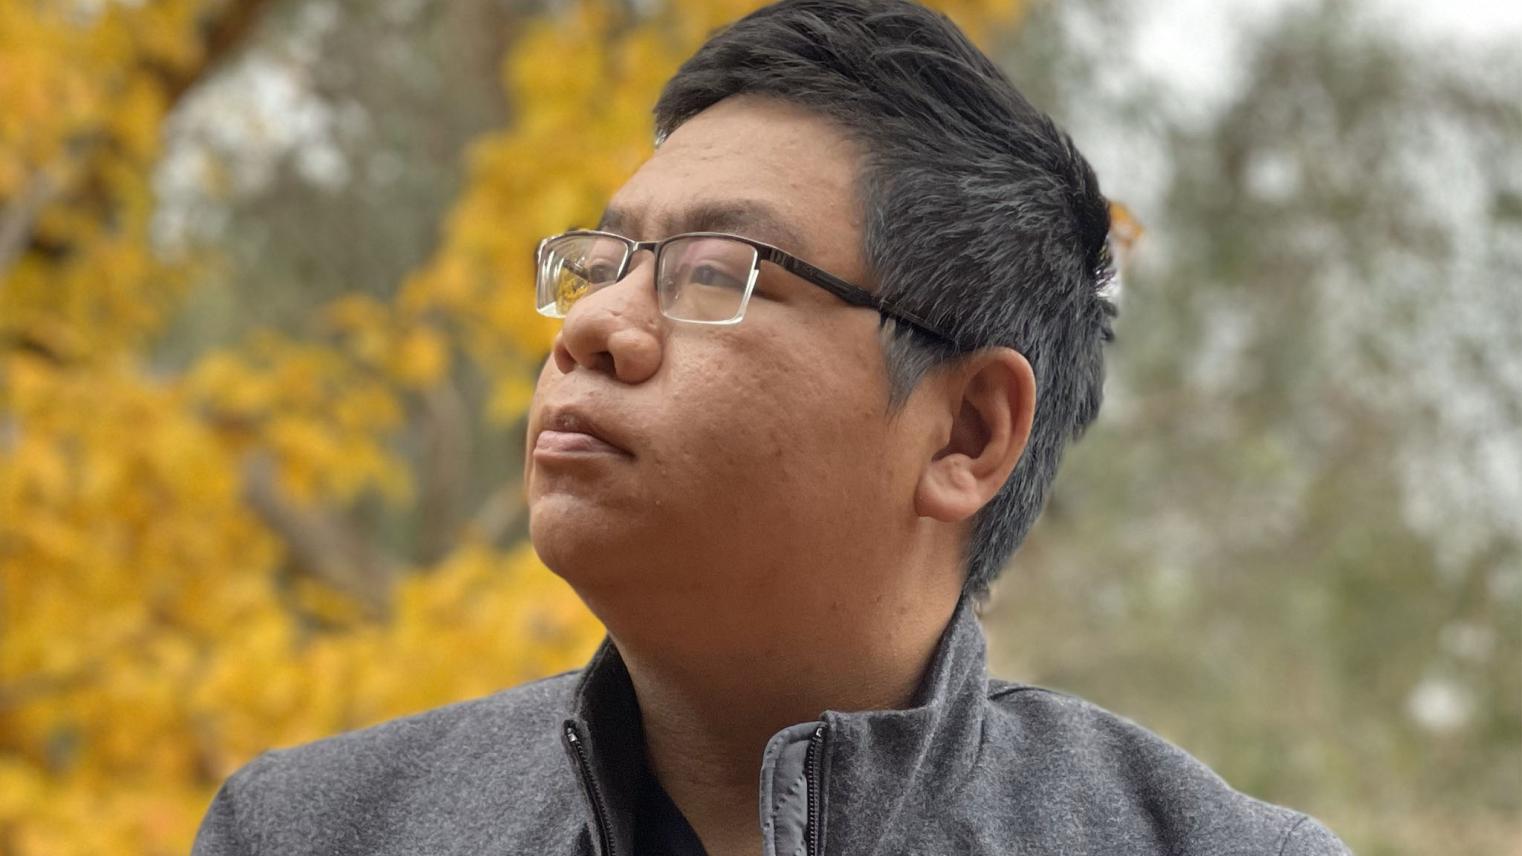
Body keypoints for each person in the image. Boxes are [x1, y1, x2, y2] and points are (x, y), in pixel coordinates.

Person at [192, 1, 1351, 854]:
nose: (596, 326)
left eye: (716, 271)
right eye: (602, 263)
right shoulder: (317, 830)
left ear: (968, 434)